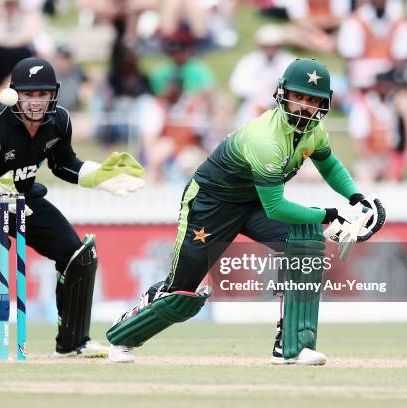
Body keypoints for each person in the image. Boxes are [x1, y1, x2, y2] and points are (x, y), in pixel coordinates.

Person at [105, 59, 386, 364]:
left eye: (313, 100)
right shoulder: (265, 140)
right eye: (298, 97)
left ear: (325, 103)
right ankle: (122, 337)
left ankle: (291, 346)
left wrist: (356, 197)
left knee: (305, 245)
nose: (305, 107)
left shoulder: (314, 132)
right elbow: (276, 207)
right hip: (211, 205)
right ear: (282, 95)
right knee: (180, 295)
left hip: (251, 203)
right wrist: (329, 215)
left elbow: (328, 164)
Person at [0, 57, 146, 359]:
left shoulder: (59, 121)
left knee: (77, 255)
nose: (36, 102)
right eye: (29, 94)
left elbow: (63, 164)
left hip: (21, 196)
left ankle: (73, 342)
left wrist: (98, 176)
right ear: (15, 94)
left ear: (53, 94)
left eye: (42, 94)